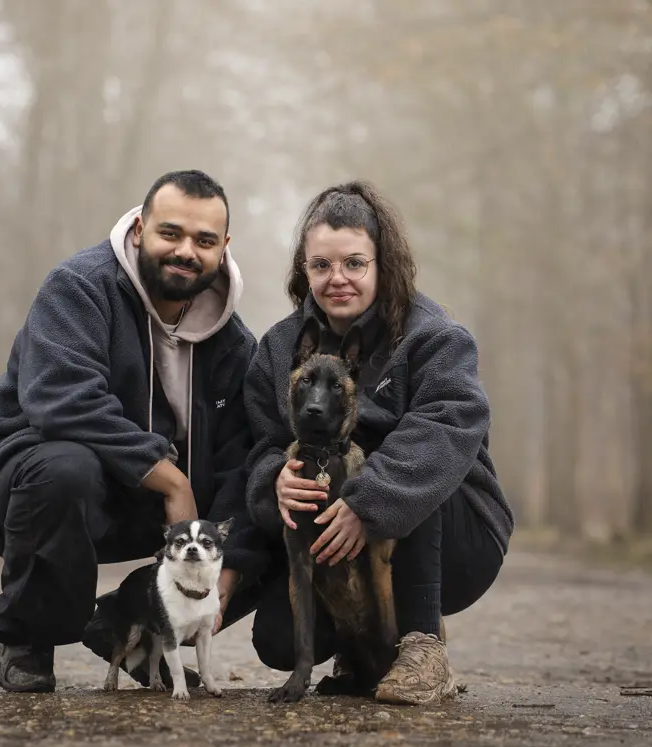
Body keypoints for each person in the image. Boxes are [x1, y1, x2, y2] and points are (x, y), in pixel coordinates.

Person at [0, 169, 259, 693]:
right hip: (22, 486)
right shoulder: (79, 287)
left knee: (270, 485)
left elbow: (239, 460)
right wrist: (172, 480)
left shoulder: (232, 342)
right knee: (66, 467)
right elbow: (59, 399)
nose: (186, 250)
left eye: (204, 241)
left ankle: (122, 631)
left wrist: (230, 572)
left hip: (143, 510)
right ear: (140, 229)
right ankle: (27, 634)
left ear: (223, 247)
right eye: (171, 233)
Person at [214, 180, 514, 705]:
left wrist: (367, 503)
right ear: (303, 271)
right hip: (333, 536)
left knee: (415, 452)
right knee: (278, 642)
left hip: (458, 538)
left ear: (381, 265)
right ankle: (363, 649)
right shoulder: (280, 348)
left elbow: (449, 425)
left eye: (355, 263)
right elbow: (260, 444)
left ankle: (423, 647)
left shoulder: (433, 335)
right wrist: (274, 482)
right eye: (321, 266)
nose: (338, 279)